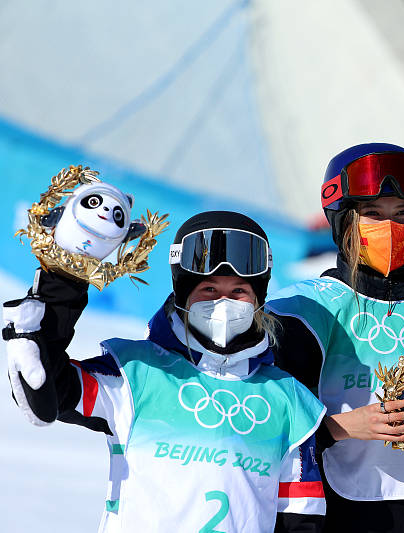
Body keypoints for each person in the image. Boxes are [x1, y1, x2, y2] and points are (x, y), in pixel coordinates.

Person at [3, 211, 326, 533]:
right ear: (183, 295)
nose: (224, 302)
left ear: (258, 300)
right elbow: (48, 392)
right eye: (209, 290)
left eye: (239, 291)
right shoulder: (135, 372)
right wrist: (63, 284)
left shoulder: (288, 398)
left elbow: (300, 516)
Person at [266, 143, 404, 533]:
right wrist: (342, 427)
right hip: (333, 510)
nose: (391, 226)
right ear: (343, 222)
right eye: (373, 215)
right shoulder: (303, 311)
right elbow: (267, 429)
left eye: (402, 214)